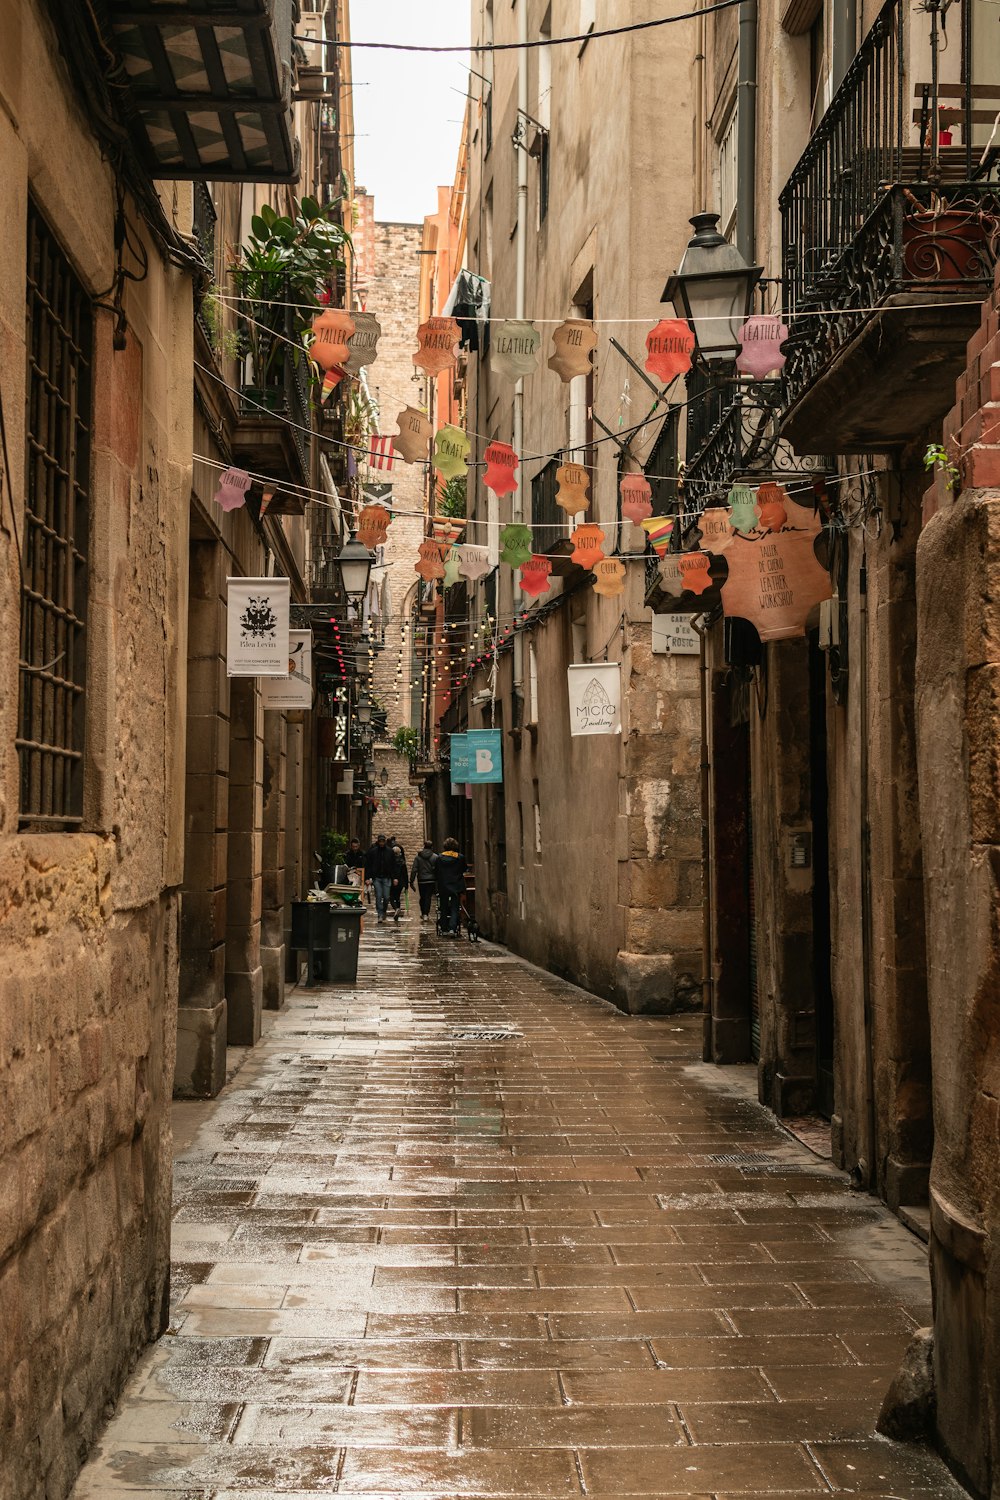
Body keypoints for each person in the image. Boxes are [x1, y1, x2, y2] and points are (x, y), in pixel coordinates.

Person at [435, 837, 468, 937]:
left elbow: (436, 871)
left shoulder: (439, 858)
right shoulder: (460, 857)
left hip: (444, 886)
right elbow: (464, 869)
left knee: (443, 907)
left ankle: (444, 928)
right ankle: (452, 929)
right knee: (454, 908)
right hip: (456, 885)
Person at [364, 833, 396, 924]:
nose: (381, 843)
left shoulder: (390, 852)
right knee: (378, 896)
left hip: (387, 877)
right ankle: (380, 914)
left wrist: (394, 877)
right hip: (377, 878)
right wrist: (367, 877)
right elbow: (368, 865)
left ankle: (384, 910)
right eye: (380, 841)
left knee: (386, 897)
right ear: (378, 842)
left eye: (383, 841)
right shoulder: (373, 852)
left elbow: (393, 865)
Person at [409, 841, 438, 923]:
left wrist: (411, 881)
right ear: (432, 847)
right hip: (431, 880)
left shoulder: (418, 857)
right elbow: (437, 869)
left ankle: (423, 912)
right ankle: (426, 914)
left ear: (424, 846)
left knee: (422, 896)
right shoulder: (435, 857)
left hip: (421, 880)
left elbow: (414, 869)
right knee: (428, 897)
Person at [387, 843, 407, 923]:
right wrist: (406, 885)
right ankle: (397, 910)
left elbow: (391, 871)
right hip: (401, 882)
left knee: (391, 897)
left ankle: (396, 909)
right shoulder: (402, 862)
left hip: (393, 881)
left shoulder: (391, 862)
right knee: (397, 897)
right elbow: (405, 874)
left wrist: (394, 878)